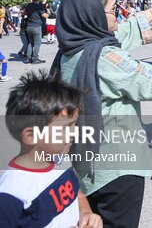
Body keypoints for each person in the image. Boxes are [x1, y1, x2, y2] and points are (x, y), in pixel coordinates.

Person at [52, 0, 152, 226]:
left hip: (87, 165)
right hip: (118, 170)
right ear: (93, 15)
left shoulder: (73, 50)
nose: (119, 13)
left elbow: (129, 28)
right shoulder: (103, 57)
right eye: (114, 9)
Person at [0, 71, 103, 228]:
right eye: (66, 127)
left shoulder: (61, 162)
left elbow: (76, 194)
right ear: (31, 135)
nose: (75, 132)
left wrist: (86, 213)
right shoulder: (11, 195)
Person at [24, 0, 49, 64]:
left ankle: (28, 58)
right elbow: (44, 15)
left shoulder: (28, 5)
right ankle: (35, 59)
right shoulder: (38, 6)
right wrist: (49, 14)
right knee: (37, 44)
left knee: (30, 43)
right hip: (36, 26)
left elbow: (24, 13)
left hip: (29, 26)